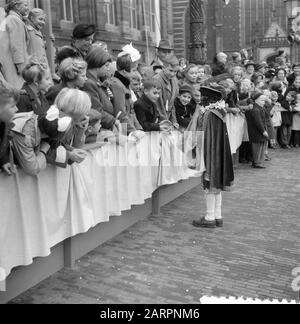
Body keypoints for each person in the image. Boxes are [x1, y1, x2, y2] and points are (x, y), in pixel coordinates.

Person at [12, 88, 90, 176]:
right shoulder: (34, 130)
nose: (86, 116)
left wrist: (80, 130)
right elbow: (33, 167)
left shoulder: (53, 120)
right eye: (84, 114)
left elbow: (60, 146)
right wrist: (44, 151)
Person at [192, 86, 234, 229]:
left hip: (209, 153)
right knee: (217, 185)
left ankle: (209, 217)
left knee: (209, 184)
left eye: (203, 97)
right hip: (218, 153)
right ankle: (217, 215)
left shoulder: (209, 114)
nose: (200, 100)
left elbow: (201, 135)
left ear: (209, 99)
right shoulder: (220, 112)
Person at [0, 0, 30, 89]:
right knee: (18, 93)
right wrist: (21, 68)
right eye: (25, 5)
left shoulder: (9, 18)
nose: (28, 8)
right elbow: (17, 46)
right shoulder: (14, 19)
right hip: (14, 65)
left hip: (8, 62)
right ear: (17, 6)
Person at [153, 55, 180, 127]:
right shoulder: (157, 80)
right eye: (170, 70)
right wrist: (165, 122)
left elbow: (172, 104)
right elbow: (158, 104)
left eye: (175, 71)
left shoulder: (174, 79)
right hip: (158, 119)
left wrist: (174, 121)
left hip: (169, 119)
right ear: (163, 68)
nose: (173, 74)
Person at [247, 92, 269, 169]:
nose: (263, 102)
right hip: (256, 132)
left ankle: (257, 161)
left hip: (257, 132)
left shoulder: (260, 108)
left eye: (264, 100)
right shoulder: (255, 109)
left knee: (260, 146)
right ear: (256, 100)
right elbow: (258, 122)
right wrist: (263, 131)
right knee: (257, 147)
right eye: (262, 100)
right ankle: (257, 162)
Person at [0, 87, 19, 176]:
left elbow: (3, 145)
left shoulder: (5, 123)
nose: (17, 109)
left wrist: (4, 161)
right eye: (12, 106)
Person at [27, 8, 50, 73]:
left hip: (42, 68)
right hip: (35, 70)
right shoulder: (29, 31)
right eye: (40, 19)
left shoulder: (38, 32)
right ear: (32, 18)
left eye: (44, 20)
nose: (43, 22)